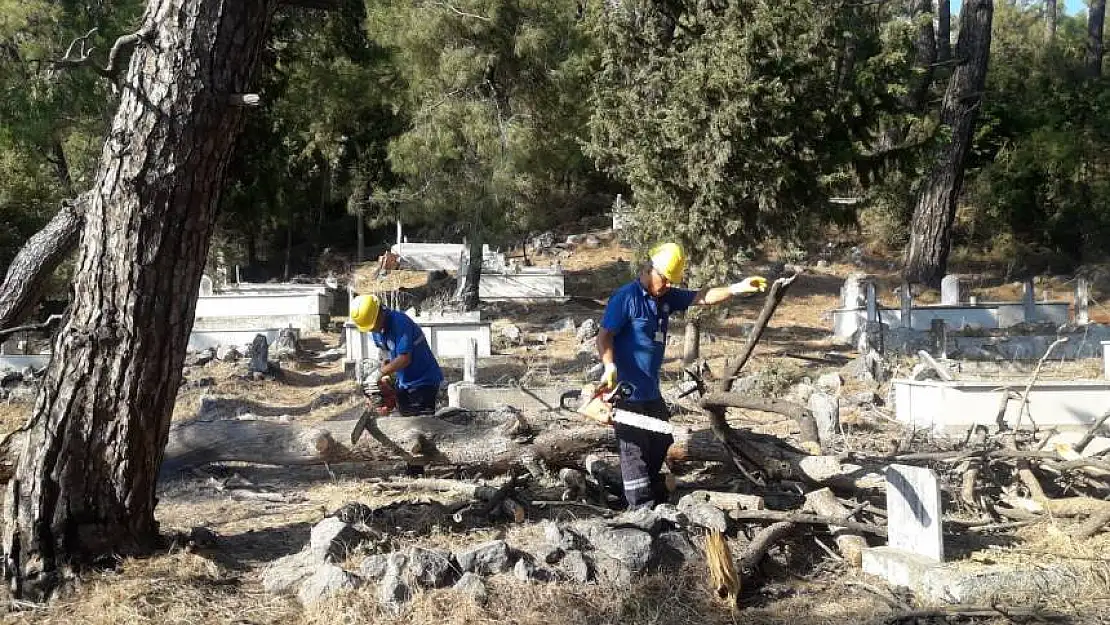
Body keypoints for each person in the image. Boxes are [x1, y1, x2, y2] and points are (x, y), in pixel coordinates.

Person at [596, 242, 767, 509]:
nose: (665, 285)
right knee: (634, 450)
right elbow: (604, 336)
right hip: (626, 392)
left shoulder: (665, 298)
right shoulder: (625, 298)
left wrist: (736, 288)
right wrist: (609, 366)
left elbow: (702, 297)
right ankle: (640, 510)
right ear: (648, 269)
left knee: (663, 437)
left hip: (650, 391)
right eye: (663, 278)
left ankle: (646, 491)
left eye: (669, 281)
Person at [349, 294, 444, 416]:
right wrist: (385, 379)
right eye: (369, 329)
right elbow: (386, 355)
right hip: (404, 382)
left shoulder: (400, 322)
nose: (372, 331)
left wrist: (380, 373)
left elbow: (404, 359)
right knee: (403, 422)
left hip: (423, 382)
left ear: (379, 313)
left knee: (420, 427)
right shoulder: (377, 330)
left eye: (373, 326)